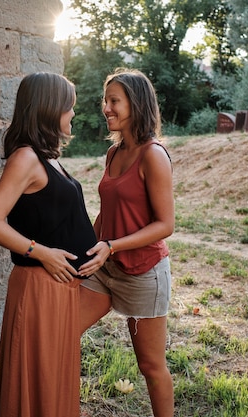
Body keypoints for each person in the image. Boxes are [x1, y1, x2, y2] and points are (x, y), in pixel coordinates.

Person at [0, 72, 105, 417]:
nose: (73, 115)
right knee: (39, 378)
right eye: (69, 108)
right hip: (38, 288)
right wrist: (41, 252)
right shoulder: (26, 158)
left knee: (54, 376)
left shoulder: (49, 157)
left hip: (60, 287)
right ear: (50, 108)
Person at [77, 68, 175, 417]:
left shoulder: (154, 155)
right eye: (106, 100)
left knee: (150, 366)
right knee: (62, 329)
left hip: (143, 273)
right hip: (106, 268)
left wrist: (113, 246)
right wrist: (85, 246)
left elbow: (166, 224)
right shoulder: (113, 154)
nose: (106, 107)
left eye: (114, 101)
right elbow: (106, 213)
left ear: (135, 104)